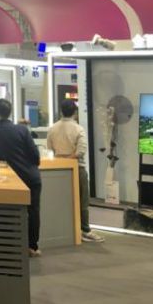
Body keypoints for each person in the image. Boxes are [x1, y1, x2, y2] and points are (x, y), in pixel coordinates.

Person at [48, 99, 104, 242]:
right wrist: (69, 159)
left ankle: (66, 229)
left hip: (57, 170)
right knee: (82, 201)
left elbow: (49, 149)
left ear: (61, 111)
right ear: (75, 112)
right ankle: (85, 230)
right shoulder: (79, 129)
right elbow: (80, 152)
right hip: (77, 169)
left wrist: (61, 160)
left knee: (62, 201)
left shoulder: (52, 129)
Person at [0, 98, 43, 256]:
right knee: (33, 211)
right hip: (31, 177)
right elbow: (35, 155)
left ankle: (12, 245)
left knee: (10, 211)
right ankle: (32, 247)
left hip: (11, 180)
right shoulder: (22, 130)